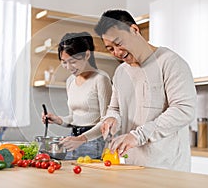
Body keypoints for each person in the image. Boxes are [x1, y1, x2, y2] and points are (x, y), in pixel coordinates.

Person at [94, 10, 197, 171]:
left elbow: (184, 110)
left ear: (134, 30)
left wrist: (138, 136)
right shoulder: (121, 72)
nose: (117, 53)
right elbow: (115, 109)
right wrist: (111, 119)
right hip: (131, 167)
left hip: (167, 169)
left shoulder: (170, 62)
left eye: (119, 42)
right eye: (110, 48)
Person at [41, 32, 112, 160]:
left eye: (72, 62)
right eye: (64, 62)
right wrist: (58, 120)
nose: (68, 67)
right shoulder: (70, 81)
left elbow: (106, 122)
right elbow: (74, 118)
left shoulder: (101, 79)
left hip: (94, 143)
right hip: (72, 141)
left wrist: (81, 139)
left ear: (87, 55)